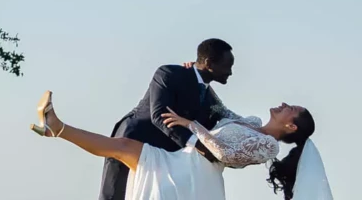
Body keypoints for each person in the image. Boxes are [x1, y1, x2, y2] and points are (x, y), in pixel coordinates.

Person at [33, 90, 327, 200]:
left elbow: (229, 154)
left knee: (122, 147)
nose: (285, 104)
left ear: (291, 126)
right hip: (186, 158)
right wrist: (196, 74)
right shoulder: (249, 120)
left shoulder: (268, 146)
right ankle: (56, 127)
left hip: (197, 176)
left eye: (292, 108)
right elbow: (219, 107)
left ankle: (57, 128)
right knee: (121, 146)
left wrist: (191, 126)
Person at [90, 40, 237, 200]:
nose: (230, 72)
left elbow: (229, 122)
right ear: (208, 63)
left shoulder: (210, 99)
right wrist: (198, 145)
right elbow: (160, 116)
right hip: (134, 141)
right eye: (227, 65)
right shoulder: (169, 73)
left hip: (166, 157)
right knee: (116, 195)